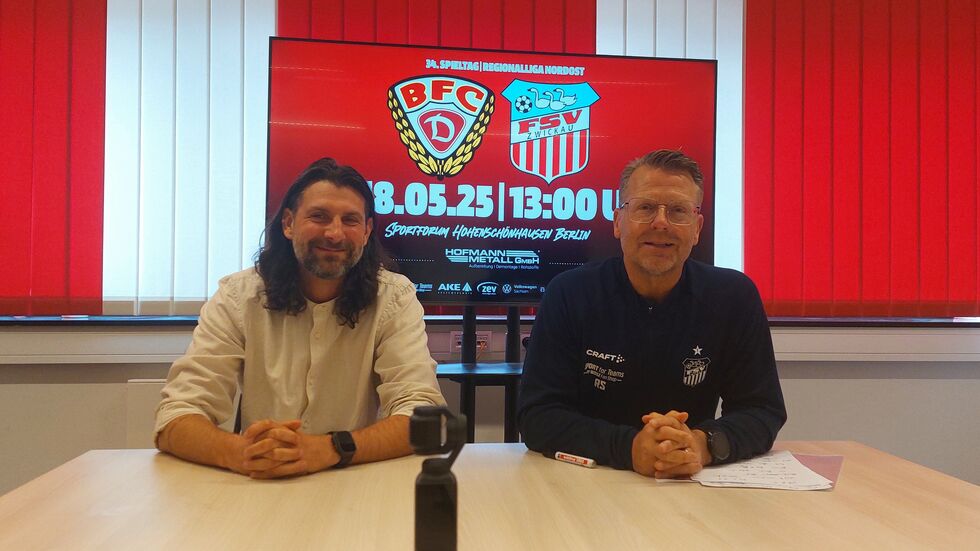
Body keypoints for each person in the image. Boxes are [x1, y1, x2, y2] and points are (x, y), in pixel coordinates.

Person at [155, 158, 445, 479]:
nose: (335, 233)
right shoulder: (239, 296)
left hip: (350, 482)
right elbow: (176, 417)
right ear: (288, 223)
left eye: (350, 220)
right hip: (260, 484)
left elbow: (426, 419)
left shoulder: (393, 297)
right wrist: (242, 454)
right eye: (319, 216)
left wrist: (330, 448)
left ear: (366, 232)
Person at [517, 149, 786, 478]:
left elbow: (763, 410)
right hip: (588, 483)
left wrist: (702, 445)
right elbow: (537, 417)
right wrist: (631, 448)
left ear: (697, 227)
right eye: (645, 208)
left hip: (689, 483)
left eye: (677, 210)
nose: (661, 222)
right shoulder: (569, 294)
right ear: (618, 222)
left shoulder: (734, 297)